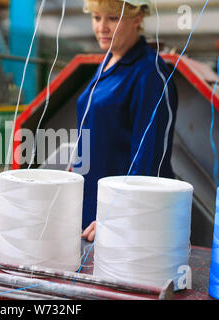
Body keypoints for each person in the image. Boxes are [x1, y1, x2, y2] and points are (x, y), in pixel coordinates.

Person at [75, 0, 178, 241]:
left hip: (124, 222)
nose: (102, 27)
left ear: (137, 18)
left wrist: (117, 217)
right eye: (96, 17)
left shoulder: (149, 74)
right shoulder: (110, 61)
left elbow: (148, 159)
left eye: (112, 18)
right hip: (93, 208)